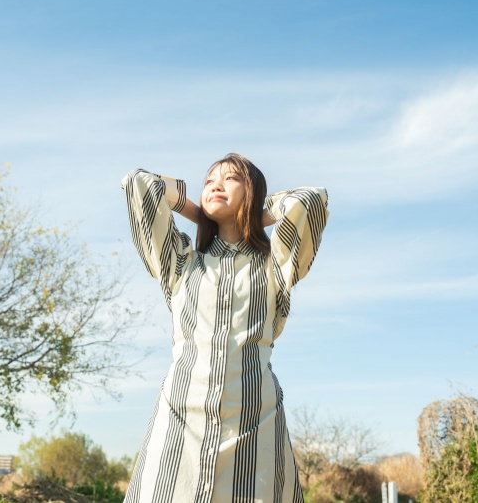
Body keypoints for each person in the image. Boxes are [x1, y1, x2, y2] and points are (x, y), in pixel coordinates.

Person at [121, 153, 329, 503]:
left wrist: (254, 216)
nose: (216, 185)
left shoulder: (276, 266)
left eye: (231, 179)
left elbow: (311, 200)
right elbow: (139, 184)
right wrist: (196, 212)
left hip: (254, 429)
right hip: (179, 427)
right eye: (209, 181)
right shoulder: (180, 262)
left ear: (252, 192)